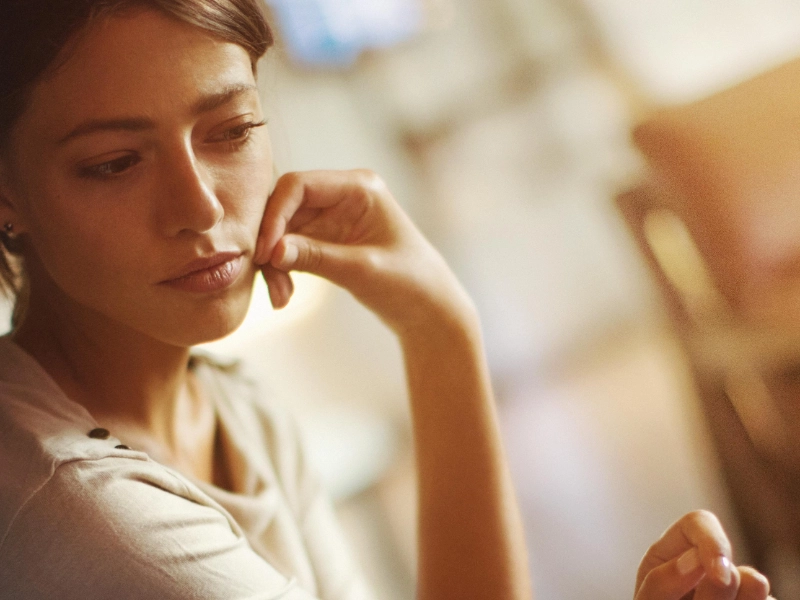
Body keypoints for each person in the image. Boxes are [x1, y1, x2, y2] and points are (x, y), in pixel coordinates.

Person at [0, 1, 775, 599]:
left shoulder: (233, 412)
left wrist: (437, 323)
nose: (199, 207)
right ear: (9, 192)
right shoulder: (85, 513)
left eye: (230, 130)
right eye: (113, 164)